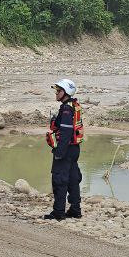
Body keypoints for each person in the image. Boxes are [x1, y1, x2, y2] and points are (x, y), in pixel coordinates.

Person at [44, 78, 84, 220]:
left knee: (60, 180)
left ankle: (59, 212)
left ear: (66, 92)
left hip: (65, 150)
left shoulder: (67, 109)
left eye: (59, 91)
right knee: (73, 179)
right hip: (74, 149)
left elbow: (66, 132)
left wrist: (59, 152)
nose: (56, 93)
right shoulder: (74, 105)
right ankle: (75, 210)